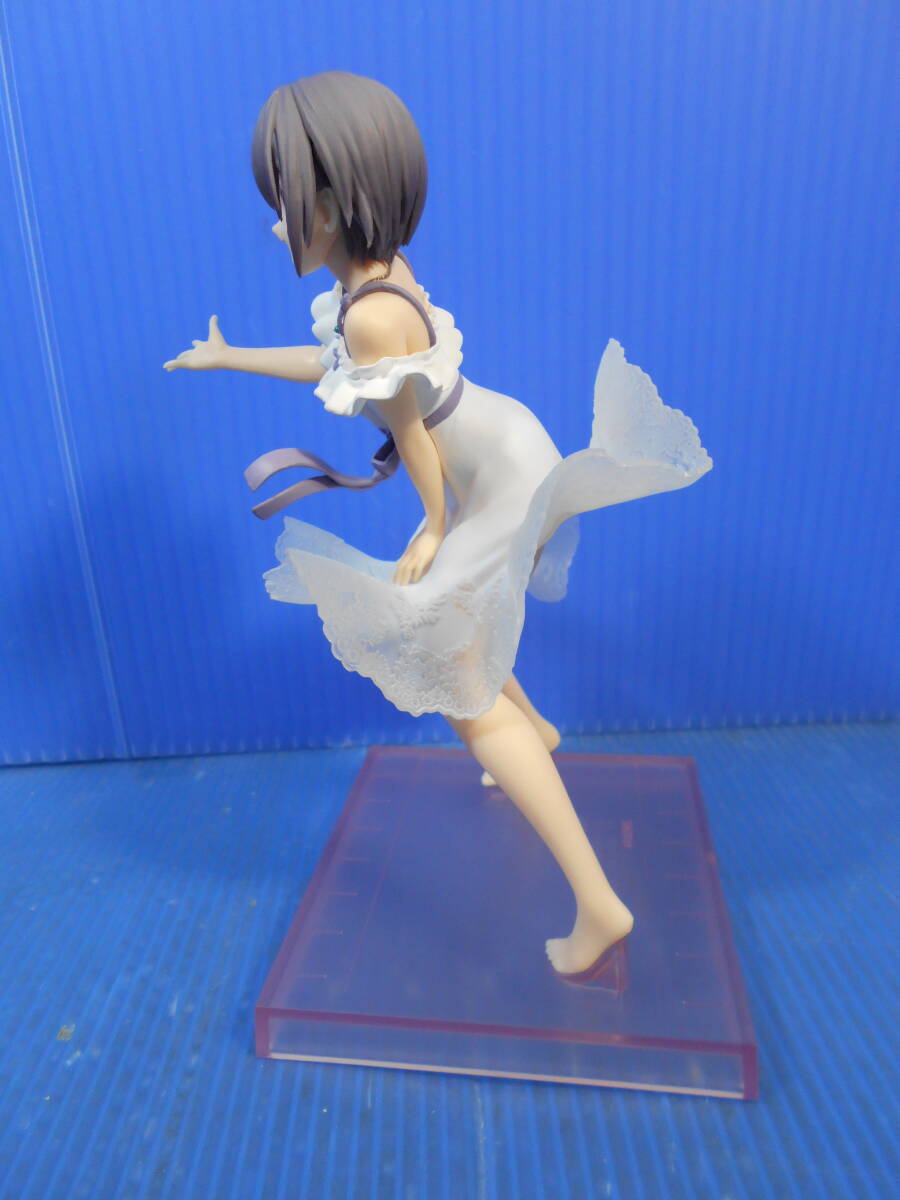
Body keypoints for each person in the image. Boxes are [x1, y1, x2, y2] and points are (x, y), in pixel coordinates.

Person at [164, 70, 713, 980]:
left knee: (454, 678)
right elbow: (338, 367)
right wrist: (231, 357)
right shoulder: (374, 284)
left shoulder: (374, 313)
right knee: (464, 635)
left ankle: (598, 903)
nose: (276, 224)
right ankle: (538, 732)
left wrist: (433, 523)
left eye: (284, 203)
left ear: (330, 207)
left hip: (497, 478)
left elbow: (412, 433)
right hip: (501, 449)